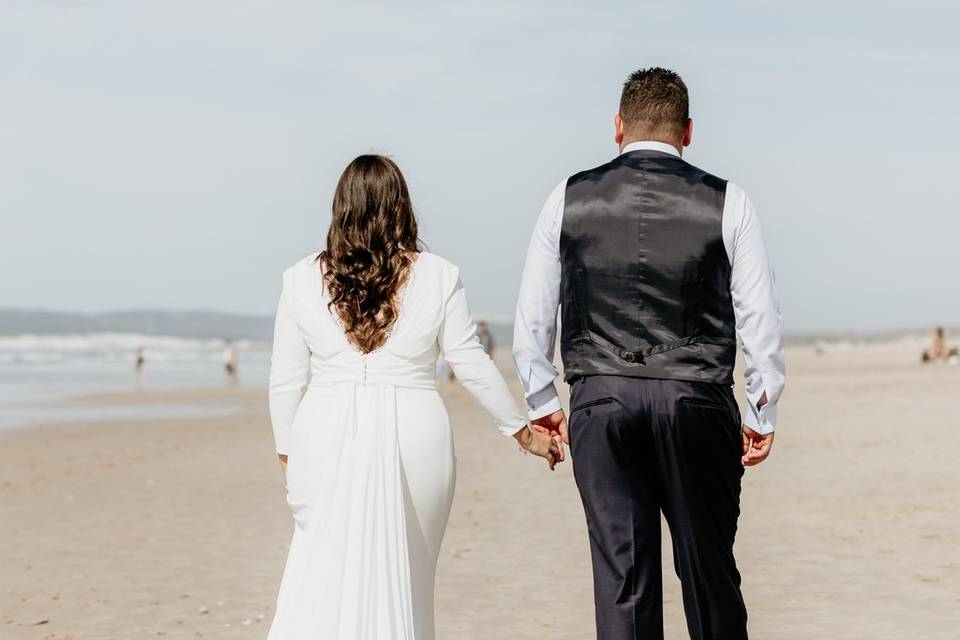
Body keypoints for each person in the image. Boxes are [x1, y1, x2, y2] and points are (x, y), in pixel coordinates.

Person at [513, 67, 785, 640]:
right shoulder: (729, 201)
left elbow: (534, 314)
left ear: (617, 127)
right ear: (688, 132)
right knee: (708, 573)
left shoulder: (567, 198)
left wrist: (542, 400)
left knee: (623, 584)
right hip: (697, 400)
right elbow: (760, 317)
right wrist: (762, 409)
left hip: (601, 400)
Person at [266, 155, 563, 640]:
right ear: (402, 207)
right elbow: (469, 362)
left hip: (321, 432)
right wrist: (522, 432)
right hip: (415, 432)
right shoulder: (439, 275)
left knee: (320, 566)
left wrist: (288, 452)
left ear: (340, 207)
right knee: (410, 577)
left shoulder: (299, 278)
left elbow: (285, 381)